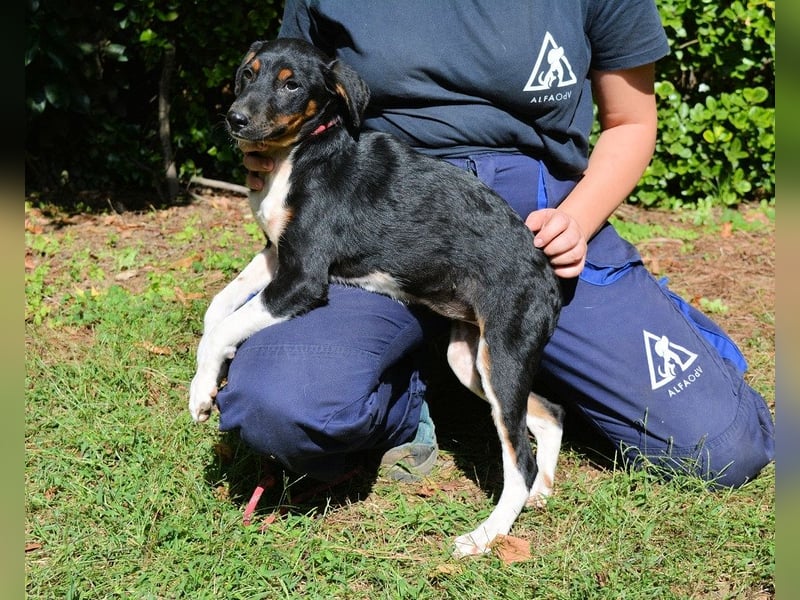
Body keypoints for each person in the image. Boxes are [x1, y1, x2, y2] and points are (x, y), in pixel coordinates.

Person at [215, 0, 775, 488]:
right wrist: (279, 187)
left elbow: (630, 121)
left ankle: (568, 345)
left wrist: (576, 220)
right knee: (276, 412)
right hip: (375, 204)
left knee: (724, 447)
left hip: (530, 212)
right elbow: (285, 95)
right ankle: (415, 394)